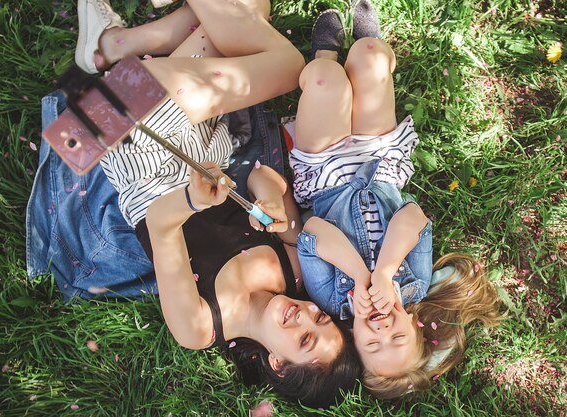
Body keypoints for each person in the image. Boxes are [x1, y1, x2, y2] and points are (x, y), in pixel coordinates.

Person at [71, 0, 361, 407]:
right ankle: (111, 47)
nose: (305, 315)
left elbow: (159, 225)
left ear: (278, 363)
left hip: (140, 151)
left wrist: (191, 198)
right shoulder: (292, 271)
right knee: (248, 7)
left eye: (305, 339)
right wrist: (270, 195)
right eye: (320, 318)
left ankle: (120, 53)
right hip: (207, 137)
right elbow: (265, 177)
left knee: (286, 62)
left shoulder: (199, 326)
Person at [288, 4, 503, 399]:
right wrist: (385, 272)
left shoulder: (332, 299)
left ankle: (324, 56)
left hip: (325, 175)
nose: (383, 330)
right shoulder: (414, 285)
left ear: (353, 339)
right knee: (370, 58)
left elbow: (313, 230)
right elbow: (411, 216)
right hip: (381, 164)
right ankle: (372, 50)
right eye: (398, 338)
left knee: (324, 81)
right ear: (414, 324)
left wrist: (358, 276)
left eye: (372, 345)